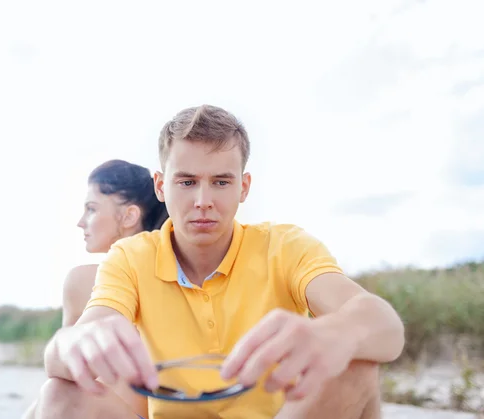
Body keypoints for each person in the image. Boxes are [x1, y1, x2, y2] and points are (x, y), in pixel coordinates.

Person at [35, 105, 406, 419]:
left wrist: (334, 334)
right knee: (58, 396)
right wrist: (74, 343)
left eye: (221, 182)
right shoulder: (131, 256)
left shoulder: (285, 245)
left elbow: (385, 327)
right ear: (161, 186)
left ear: (243, 187)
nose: (203, 200)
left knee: (358, 365)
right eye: (187, 182)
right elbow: (65, 351)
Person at [21, 159, 169, 419]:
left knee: (58, 393)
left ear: (129, 216)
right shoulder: (82, 281)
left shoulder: (84, 280)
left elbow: (60, 386)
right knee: (55, 392)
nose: (81, 222)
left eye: (91, 209)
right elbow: (61, 378)